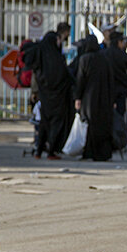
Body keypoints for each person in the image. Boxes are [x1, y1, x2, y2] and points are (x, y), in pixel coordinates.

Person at [33, 25, 74, 159]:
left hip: (45, 96)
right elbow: (65, 76)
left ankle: (38, 151)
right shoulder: (56, 59)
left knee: (44, 123)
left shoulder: (41, 58)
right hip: (57, 98)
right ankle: (51, 151)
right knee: (56, 123)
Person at [73, 36, 117, 161]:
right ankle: (103, 153)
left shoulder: (84, 59)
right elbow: (111, 79)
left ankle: (90, 152)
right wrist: (112, 98)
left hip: (89, 98)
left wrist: (78, 97)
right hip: (105, 97)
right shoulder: (105, 58)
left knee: (90, 125)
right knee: (103, 125)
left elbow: (81, 80)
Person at [105, 29, 127, 152]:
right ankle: (120, 141)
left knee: (108, 116)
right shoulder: (122, 55)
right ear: (118, 42)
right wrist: (126, 79)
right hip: (121, 89)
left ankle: (110, 141)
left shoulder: (104, 53)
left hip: (107, 89)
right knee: (120, 117)